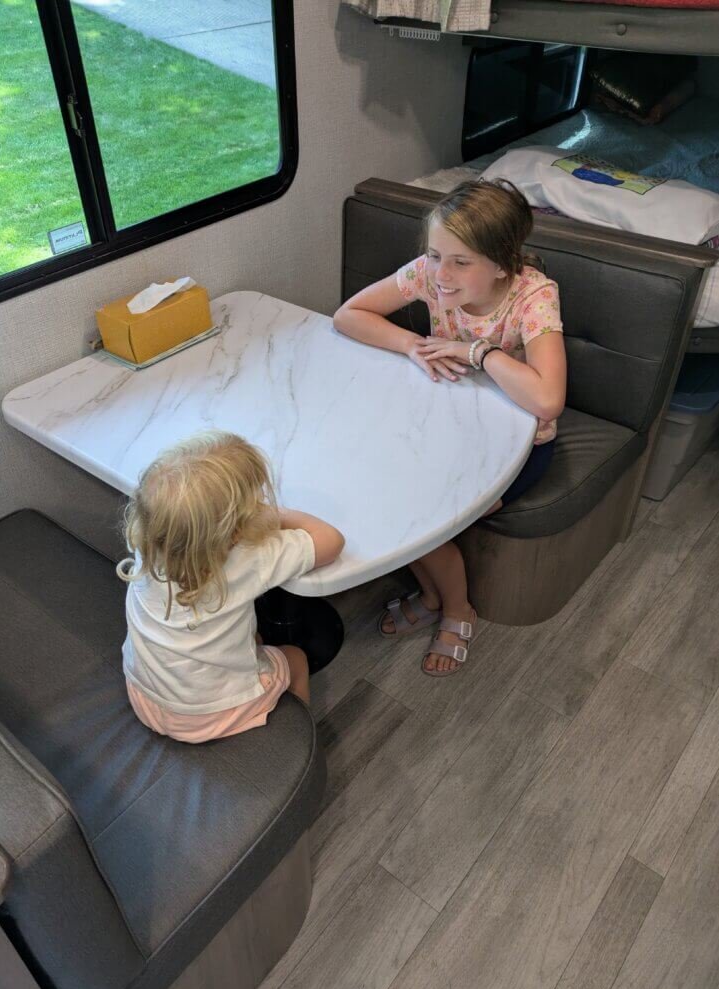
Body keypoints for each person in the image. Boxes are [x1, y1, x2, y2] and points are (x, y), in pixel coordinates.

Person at [333, 178, 566, 677]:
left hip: (519, 445)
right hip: (445, 422)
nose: (441, 274)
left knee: (421, 516)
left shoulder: (533, 296)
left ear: (503, 263)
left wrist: (479, 352)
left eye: (462, 262)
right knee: (377, 485)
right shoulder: (429, 274)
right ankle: (437, 594)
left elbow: (548, 400)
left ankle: (457, 607)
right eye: (436, 255)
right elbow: (349, 315)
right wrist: (411, 346)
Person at [117, 431, 344, 742]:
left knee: (249, 636)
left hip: (145, 696)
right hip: (209, 716)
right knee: (296, 657)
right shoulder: (247, 557)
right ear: (234, 529)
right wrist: (272, 514)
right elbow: (332, 541)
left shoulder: (148, 545)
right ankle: (297, 738)